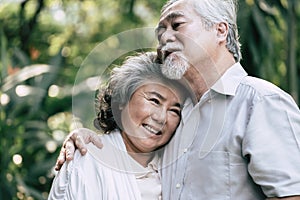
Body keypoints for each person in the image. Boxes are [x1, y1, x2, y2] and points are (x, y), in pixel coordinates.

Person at [55, 0, 300, 199]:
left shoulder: (260, 102)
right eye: (161, 31)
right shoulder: (178, 116)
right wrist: (84, 138)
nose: (164, 37)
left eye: (176, 25)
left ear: (220, 30)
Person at [48, 52, 188, 199]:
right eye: (154, 101)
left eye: (174, 110)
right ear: (122, 100)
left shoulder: (173, 169)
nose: (161, 118)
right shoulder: (88, 161)